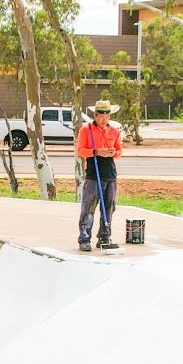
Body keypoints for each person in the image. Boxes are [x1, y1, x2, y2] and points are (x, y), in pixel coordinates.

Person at [76, 100, 123, 252]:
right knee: (89, 206)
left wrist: (113, 152)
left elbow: (119, 151)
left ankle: (104, 236)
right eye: (101, 116)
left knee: (109, 207)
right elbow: (80, 150)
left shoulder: (114, 132)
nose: (104, 119)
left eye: (107, 116)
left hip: (110, 174)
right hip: (93, 174)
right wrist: (96, 151)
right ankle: (84, 238)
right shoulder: (86, 130)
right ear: (95, 116)